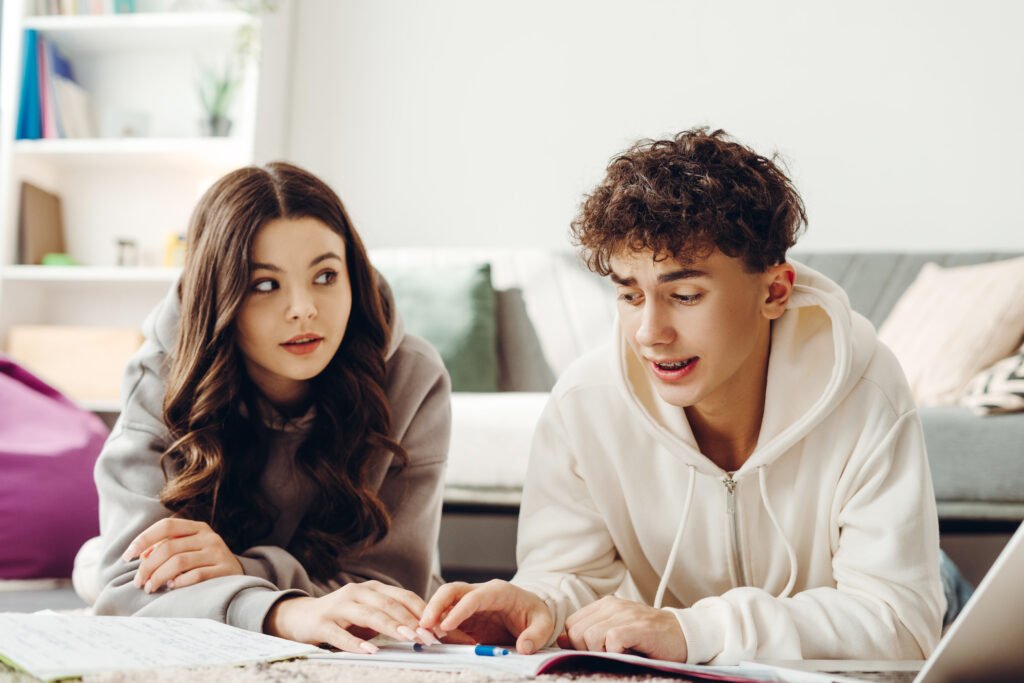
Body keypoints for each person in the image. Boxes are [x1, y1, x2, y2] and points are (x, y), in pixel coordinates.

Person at [420, 128, 947, 665]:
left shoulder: (866, 387)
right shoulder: (584, 404)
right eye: (629, 294)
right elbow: (570, 576)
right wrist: (540, 604)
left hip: (918, 585)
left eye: (685, 295)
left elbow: (902, 625)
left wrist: (696, 628)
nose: (650, 332)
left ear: (774, 291)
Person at [74, 162, 451, 654]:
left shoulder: (411, 375)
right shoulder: (162, 375)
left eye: (325, 275)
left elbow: (392, 590)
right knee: (101, 565)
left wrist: (242, 571)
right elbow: (127, 588)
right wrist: (281, 611)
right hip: (240, 587)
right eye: (266, 285)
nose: (303, 308)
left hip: (236, 583)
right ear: (221, 295)